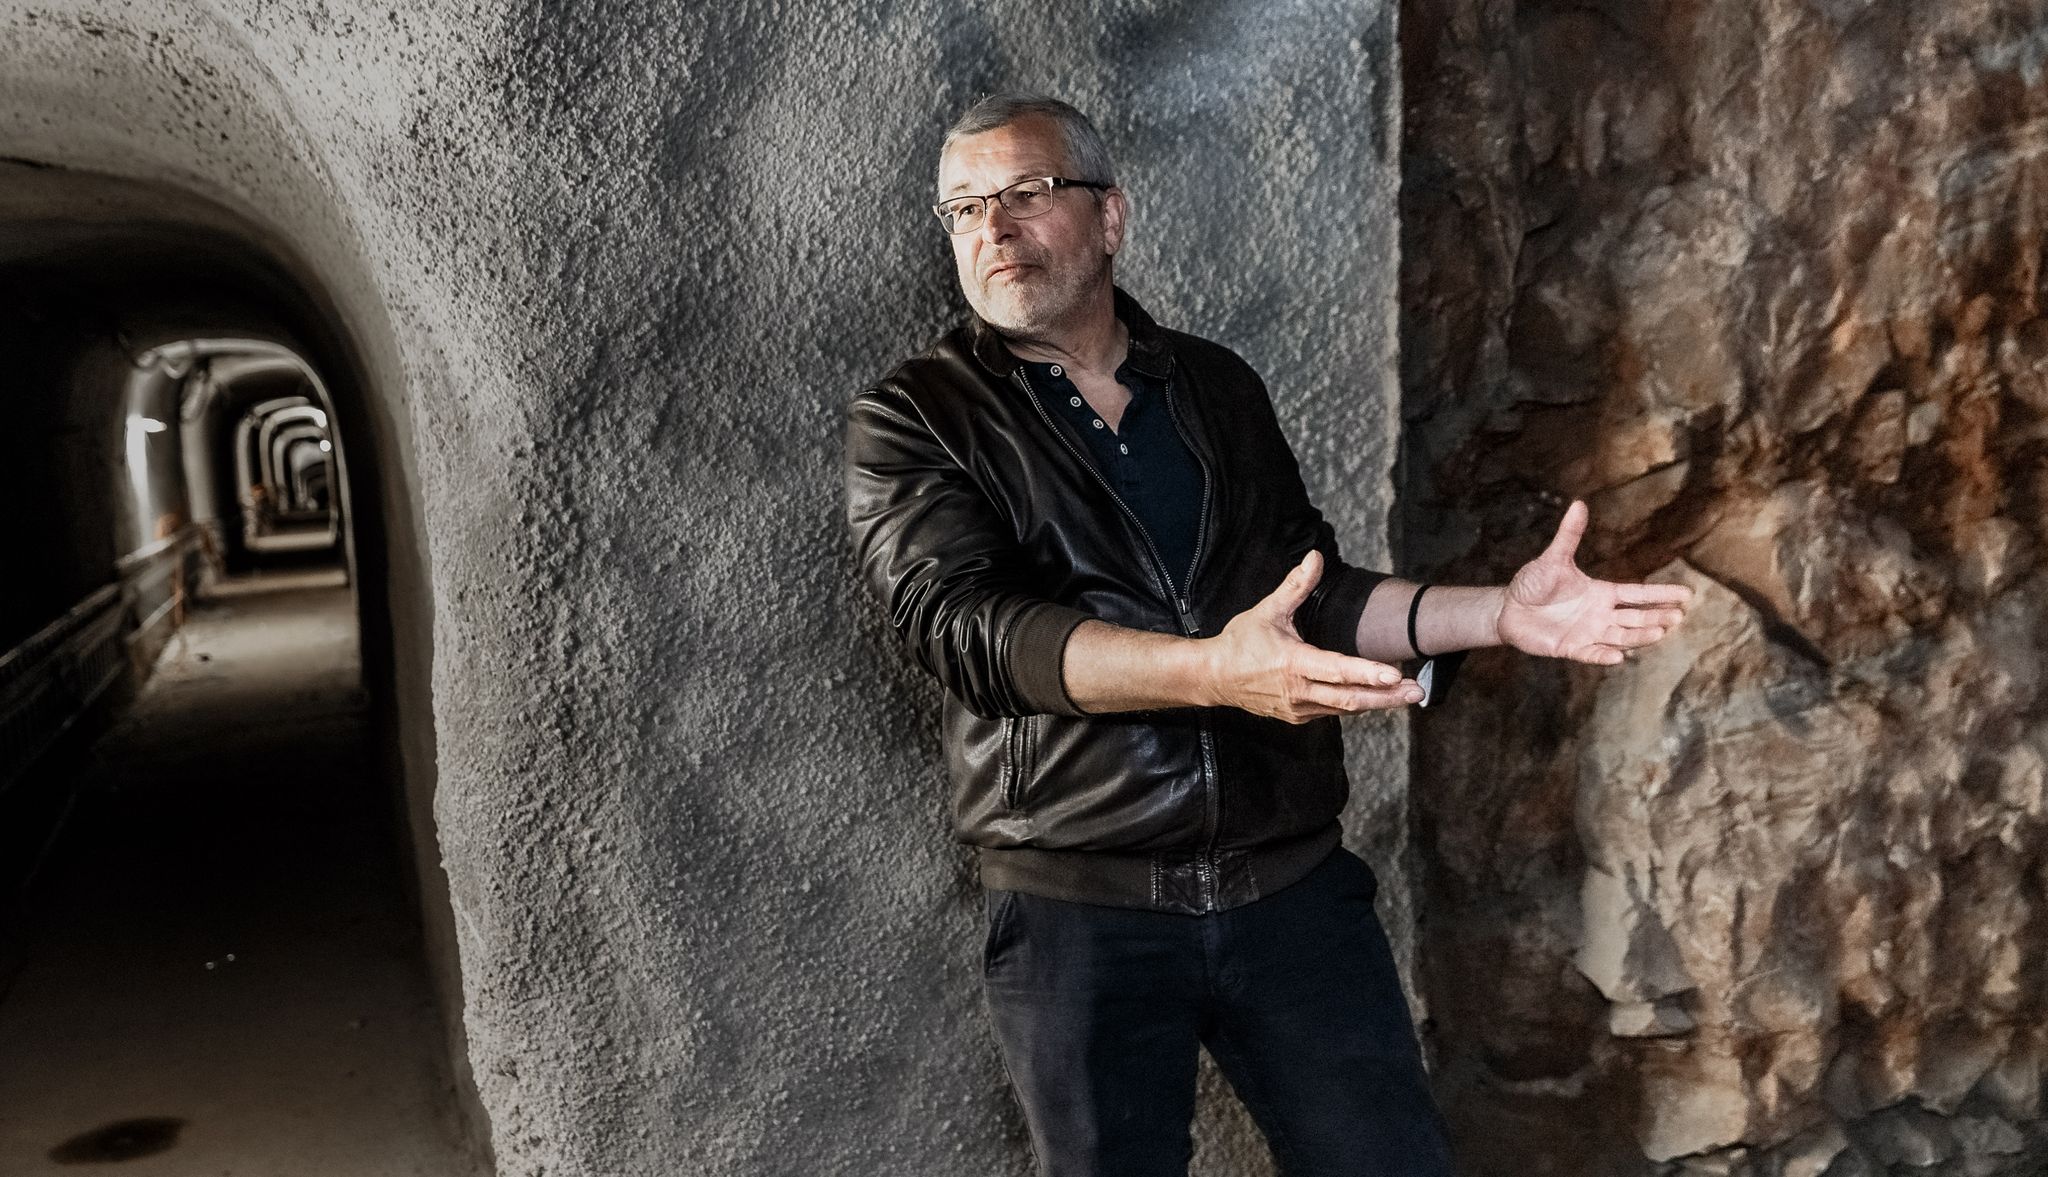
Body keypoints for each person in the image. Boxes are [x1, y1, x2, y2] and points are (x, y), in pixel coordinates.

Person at [843, 93, 1692, 1177]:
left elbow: (1311, 593)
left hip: (1287, 895)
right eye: (963, 208)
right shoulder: (915, 414)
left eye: (1024, 193)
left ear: (1108, 216)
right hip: (1082, 913)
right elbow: (960, 630)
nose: (992, 230)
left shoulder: (1209, 386)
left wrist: (1498, 613)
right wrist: (1210, 673)